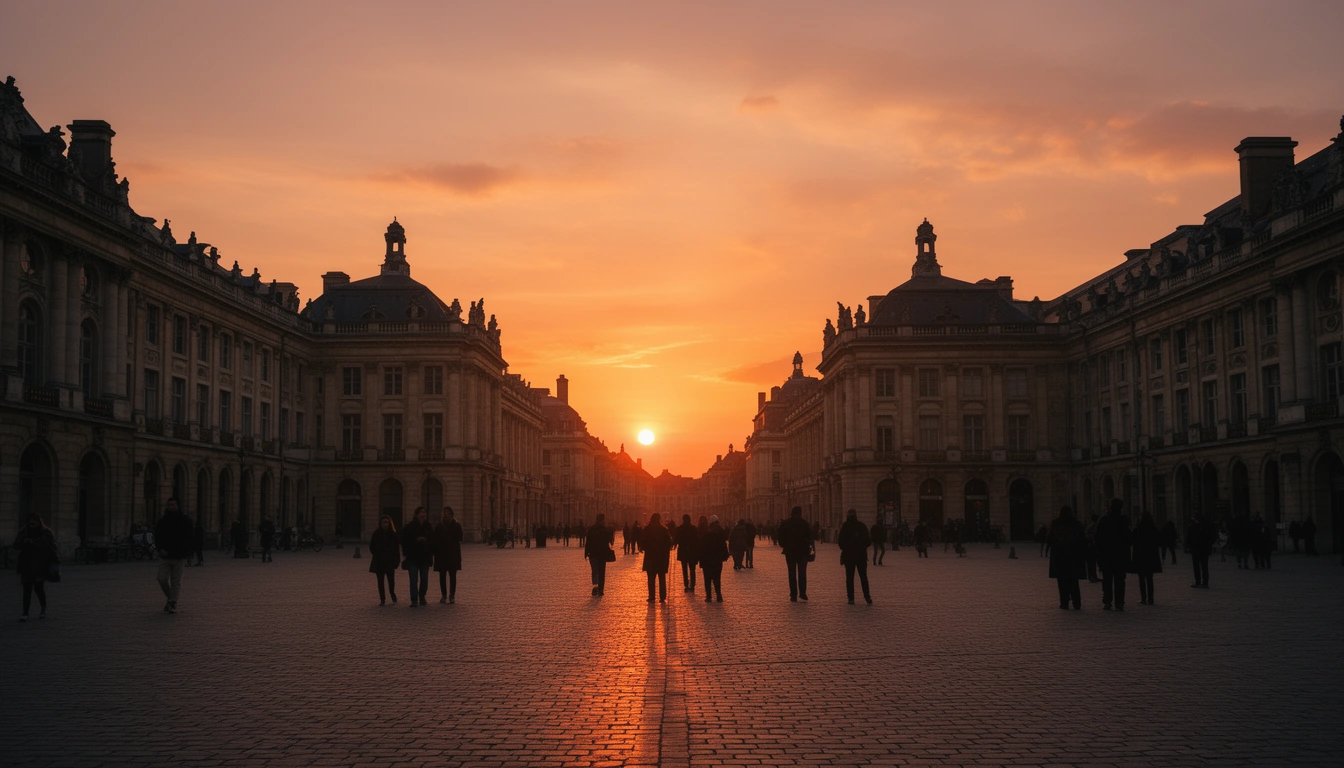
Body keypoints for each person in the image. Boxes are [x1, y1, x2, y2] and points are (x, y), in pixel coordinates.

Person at [14, 512, 57, 621]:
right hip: (27, 563)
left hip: (40, 564)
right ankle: (25, 613)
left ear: (39, 522)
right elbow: (15, 545)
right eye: (30, 524)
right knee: (26, 589)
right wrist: (24, 541)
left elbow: (51, 547)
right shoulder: (23, 532)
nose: (32, 526)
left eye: (34, 524)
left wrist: (34, 542)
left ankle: (43, 608)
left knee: (39, 588)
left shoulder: (46, 532)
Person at [154, 498, 194, 614]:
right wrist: (159, 549)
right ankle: (171, 598)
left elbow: (190, 538)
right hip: (165, 556)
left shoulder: (186, 521)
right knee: (161, 578)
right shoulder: (163, 521)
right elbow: (157, 536)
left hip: (179, 556)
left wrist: (186, 552)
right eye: (169, 505)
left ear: (178, 506)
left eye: (173, 505)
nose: (171, 507)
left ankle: (172, 603)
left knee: (176, 582)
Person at [1094, 498, 1131, 611]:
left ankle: (1107, 602)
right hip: (1120, 555)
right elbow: (1129, 538)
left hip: (1106, 555)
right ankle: (1119, 602)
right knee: (1120, 580)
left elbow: (1098, 538)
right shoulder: (1124, 520)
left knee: (1107, 580)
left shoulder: (1104, 520)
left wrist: (1099, 553)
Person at [1047, 506, 1086, 610]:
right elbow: (1082, 539)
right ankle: (1076, 602)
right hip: (1073, 556)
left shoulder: (1055, 524)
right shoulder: (1076, 524)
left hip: (1059, 556)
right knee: (1074, 580)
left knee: (1062, 581)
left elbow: (1050, 538)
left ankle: (1064, 603)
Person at [778, 506, 814, 601]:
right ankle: (802, 593)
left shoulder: (785, 523)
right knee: (802, 572)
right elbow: (810, 537)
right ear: (800, 513)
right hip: (802, 551)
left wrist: (784, 545)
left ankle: (793, 595)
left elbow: (780, 536)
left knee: (792, 572)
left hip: (790, 552)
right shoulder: (804, 523)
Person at [838, 509, 872, 605]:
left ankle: (851, 597)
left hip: (849, 556)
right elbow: (868, 541)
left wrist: (847, 548)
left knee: (849, 577)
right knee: (863, 576)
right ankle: (867, 596)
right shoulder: (861, 526)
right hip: (861, 555)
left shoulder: (845, 526)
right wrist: (861, 546)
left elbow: (840, 542)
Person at [401, 507, 434, 607]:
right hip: (412, 557)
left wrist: (426, 542)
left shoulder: (428, 526)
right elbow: (404, 541)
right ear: (416, 514)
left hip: (425, 557)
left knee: (424, 579)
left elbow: (433, 541)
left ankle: (422, 596)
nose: (423, 514)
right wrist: (416, 540)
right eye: (421, 512)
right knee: (413, 579)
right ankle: (414, 599)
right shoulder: (409, 526)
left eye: (424, 512)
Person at [1130, 510, 1163, 606]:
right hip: (1151, 556)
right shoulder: (1153, 528)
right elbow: (1159, 540)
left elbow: (1132, 540)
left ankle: (1143, 598)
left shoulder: (1138, 528)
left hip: (1140, 555)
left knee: (1141, 578)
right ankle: (1151, 598)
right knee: (1149, 578)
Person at [433, 507, 464, 604]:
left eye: (447, 513)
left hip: (453, 554)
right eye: (444, 513)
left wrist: (450, 538)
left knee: (452, 576)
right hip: (441, 554)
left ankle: (452, 595)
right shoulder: (439, 526)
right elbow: (435, 539)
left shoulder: (456, 525)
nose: (445, 515)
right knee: (442, 576)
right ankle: (443, 595)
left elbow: (460, 537)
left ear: (451, 514)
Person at [640, 513, 673, 603]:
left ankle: (651, 596)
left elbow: (643, 543)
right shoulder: (663, 530)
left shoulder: (647, 530)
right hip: (661, 558)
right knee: (662, 578)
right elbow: (669, 543)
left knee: (651, 578)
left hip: (650, 558)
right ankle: (662, 597)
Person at [368, 515, 400, 605]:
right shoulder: (376, 533)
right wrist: (377, 554)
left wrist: (397, 560)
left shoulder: (393, 534)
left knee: (391, 581)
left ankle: (392, 593)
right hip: (379, 561)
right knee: (380, 582)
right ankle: (382, 599)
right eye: (384, 522)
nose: (385, 524)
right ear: (380, 523)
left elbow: (396, 549)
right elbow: (372, 547)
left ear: (390, 524)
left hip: (390, 561)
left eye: (387, 522)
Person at [699, 515, 729, 602]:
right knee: (717, 577)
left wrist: (701, 559)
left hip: (707, 559)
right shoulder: (720, 532)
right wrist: (725, 556)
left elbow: (702, 547)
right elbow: (723, 545)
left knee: (707, 578)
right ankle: (719, 595)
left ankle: (709, 596)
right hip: (717, 559)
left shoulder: (706, 533)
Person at [584, 514, 615, 596]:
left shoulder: (591, 529)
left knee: (594, 571)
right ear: (602, 520)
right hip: (602, 554)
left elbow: (588, 542)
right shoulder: (605, 530)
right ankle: (600, 589)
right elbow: (610, 541)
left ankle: (595, 586)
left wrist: (586, 553)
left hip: (593, 554)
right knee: (601, 572)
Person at [674, 514, 699, 593]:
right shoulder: (693, 528)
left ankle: (686, 584)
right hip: (692, 552)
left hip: (683, 552)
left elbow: (676, 539)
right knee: (692, 570)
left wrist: (673, 544)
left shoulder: (680, 528)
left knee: (684, 569)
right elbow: (697, 540)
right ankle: (692, 585)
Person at [1187, 513, 1213, 588]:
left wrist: (1189, 547)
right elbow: (1211, 537)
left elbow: (1189, 538)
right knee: (1204, 566)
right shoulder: (1207, 527)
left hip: (1196, 549)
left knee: (1196, 566)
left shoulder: (1192, 526)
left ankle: (1198, 581)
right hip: (1205, 549)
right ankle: (1205, 582)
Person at [1083, 514, 1101, 582]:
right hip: (1091, 546)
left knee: (1091, 562)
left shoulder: (1091, 525)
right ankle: (1092, 576)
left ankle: (1092, 576)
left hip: (1090, 545)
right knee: (1092, 562)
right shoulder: (1094, 525)